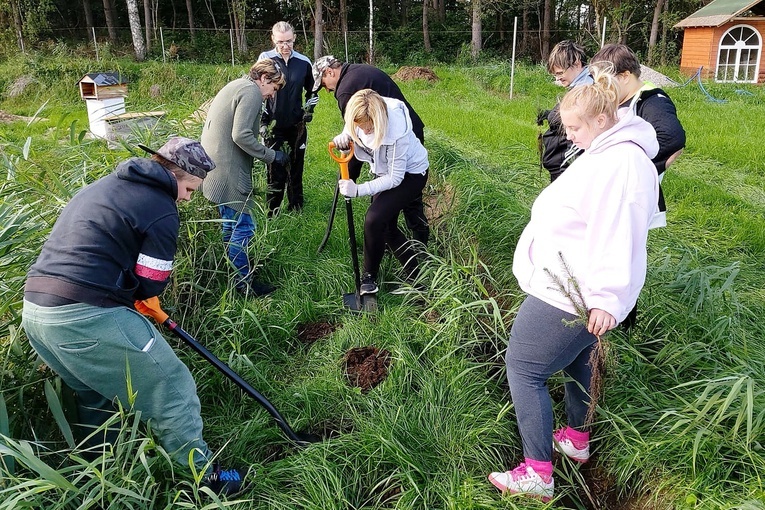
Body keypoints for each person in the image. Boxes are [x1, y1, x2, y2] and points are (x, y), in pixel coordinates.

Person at [21, 137, 243, 496]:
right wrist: (142, 297)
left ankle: (102, 477)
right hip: (86, 314)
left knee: (96, 397)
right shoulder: (160, 207)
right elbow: (150, 282)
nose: (187, 198)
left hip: (36, 314)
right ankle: (209, 481)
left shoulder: (103, 187)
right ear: (177, 175)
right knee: (172, 389)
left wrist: (131, 294)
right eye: (189, 188)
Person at [488, 68, 660, 501]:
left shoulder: (621, 162)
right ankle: (575, 440)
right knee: (579, 357)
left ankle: (537, 473)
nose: (569, 135)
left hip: (572, 290)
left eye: (575, 127)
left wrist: (606, 298)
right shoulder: (610, 151)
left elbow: (617, 232)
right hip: (574, 283)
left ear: (602, 119)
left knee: (524, 370)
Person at [590, 43, 686, 328]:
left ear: (624, 75)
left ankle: (622, 321)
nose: (602, 89)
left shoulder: (652, 101)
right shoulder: (624, 102)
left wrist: (633, 168)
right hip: (619, 195)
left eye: (604, 82)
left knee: (625, 260)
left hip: (632, 198)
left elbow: (671, 139)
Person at [312, 55, 430, 246]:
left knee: (396, 194)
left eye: (324, 84)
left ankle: (410, 242)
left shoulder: (345, 91)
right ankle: (414, 240)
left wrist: (350, 180)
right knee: (407, 197)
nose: (327, 90)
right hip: (411, 129)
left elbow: (358, 137)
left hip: (397, 138)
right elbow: (352, 130)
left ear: (329, 72)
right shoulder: (359, 71)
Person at [201, 59, 286, 297]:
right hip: (227, 170)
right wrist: (272, 156)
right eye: (274, 88)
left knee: (229, 226)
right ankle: (244, 284)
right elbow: (241, 135)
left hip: (213, 167)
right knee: (244, 227)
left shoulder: (238, 85)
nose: (271, 95)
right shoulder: (251, 92)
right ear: (264, 79)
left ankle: (234, 274)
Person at [331, 89, 429, 295]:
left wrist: (359, 190)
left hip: (411, 174)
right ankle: (415, 278)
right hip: (384, 170)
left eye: (370, 127)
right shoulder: (359, 111)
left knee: (375, 219)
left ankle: (371, 277)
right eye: (360, 126)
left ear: (379, 119)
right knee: (384, 226)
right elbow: (351, 128)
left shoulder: (396, 129)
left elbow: (395, 178)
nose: (366, 131)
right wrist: (345, 136)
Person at [257, 21, 318, 216]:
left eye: (289, 41)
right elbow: (255, 90)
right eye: (281, 41)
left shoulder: (303, 62)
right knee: (275, 167)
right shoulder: (265, 59)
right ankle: (272, 210)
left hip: (296, 124)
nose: (285, 46)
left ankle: (296, 207)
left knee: (296, 165)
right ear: (273, 39)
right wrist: (262, 120)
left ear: (294, 38)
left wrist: (309, 109)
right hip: (273, 125)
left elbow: (313, 90)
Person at [538, 40, 594, 182]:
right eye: (555, 75)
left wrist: (566, 173)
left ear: (576, 63)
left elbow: (578, 141)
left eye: (560, 73)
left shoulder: (585, 91)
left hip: (566, 172)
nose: (557, 78)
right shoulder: (578, 87)